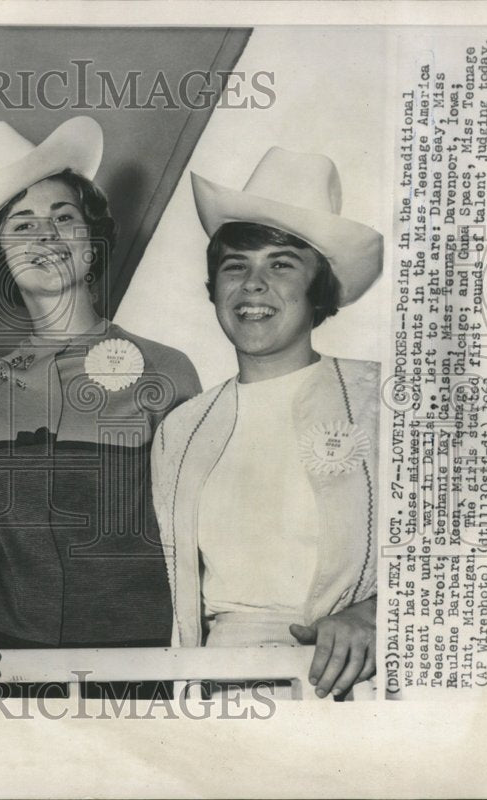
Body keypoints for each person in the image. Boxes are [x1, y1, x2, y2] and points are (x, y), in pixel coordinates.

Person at [0, 118, 201, 649]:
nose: (46, 237)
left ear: (93, 242)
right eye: (23, 225)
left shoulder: (166, 370)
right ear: (0, 257)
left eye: (63, 217)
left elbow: (206, 529)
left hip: (130, 654)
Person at [151, 147, 383, 698]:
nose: (253, 285)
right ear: (216, 289)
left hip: (347, 689)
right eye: (236, 265)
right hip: (214, 693)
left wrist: (376, 614)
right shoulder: (181, 430)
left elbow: (476, 553)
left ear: (317, 288)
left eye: (281, 264)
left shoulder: (387, 401)